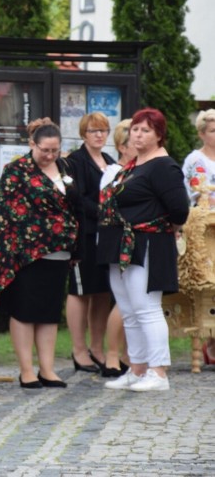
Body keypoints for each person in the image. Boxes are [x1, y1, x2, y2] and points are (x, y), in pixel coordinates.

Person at [0, 118, 78, 389]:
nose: (50, 156)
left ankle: (47, 369)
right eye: (44, 150)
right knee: (25, 312)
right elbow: (9, 213)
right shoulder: (17, 170)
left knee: (48, 313)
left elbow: (74, 204)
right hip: (26, 254)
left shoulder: (66, 167)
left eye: (55, 150)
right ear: (32, 144)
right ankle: (27, 371)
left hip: (59, 253)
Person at [98, 108, 188, 392]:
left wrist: (160, 229)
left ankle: (158, 372)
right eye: (135, 129)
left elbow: (179, 211)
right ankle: (137, 369)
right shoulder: (133, 165)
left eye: (145, 130)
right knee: (129, 310)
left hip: (148, 243)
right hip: (122, 245)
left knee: (147, 308)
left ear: (159, 135)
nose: (137, 134)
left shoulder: (163, 166)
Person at [65, 113, 115, 375]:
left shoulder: (109, 161)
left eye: (103, 130)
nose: (99, 135)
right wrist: (101, 211)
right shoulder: (75, 161)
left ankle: (97, 347)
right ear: (84, 133)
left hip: (105, 236)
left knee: (102, 292)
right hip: (84, 235)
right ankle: (78, 349)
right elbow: (76, 198)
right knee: (81, 291)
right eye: (94, 131)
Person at [99, 119, 133, 378]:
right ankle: (112, 354)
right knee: (123, 301)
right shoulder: (113, 172)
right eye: (135, 139)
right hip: (119, 240)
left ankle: (127, 355)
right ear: (122, 146)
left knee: (134, 303)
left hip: (135, 241)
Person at [181, 109, 215, 364]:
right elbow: (194, 193)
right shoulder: (196, 160)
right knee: (208, 284)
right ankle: (208, 342)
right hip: (206, 227)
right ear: (202, 133)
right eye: (213, 130)